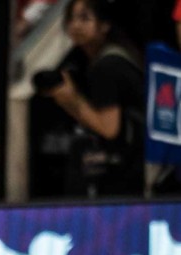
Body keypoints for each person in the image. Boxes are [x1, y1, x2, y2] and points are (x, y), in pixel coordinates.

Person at [31, 0, 144, 198]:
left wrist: (73, 102)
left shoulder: (107, 67)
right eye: (71, 19)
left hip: (132, 169)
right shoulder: (104, 59)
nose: (76, 25)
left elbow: (109, 130)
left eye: (85, 18)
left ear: (104, 25)